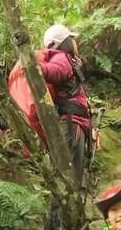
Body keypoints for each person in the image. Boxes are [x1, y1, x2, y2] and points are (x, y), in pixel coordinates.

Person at [39, 23, 92, 186]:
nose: (75, 43)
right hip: (71, 124)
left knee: (71, 176)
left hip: (75, 122)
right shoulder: (61, 57)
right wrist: (36, 67)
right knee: (69, 178)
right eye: (72, 39)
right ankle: (63, 212)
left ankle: (66, 210)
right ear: (65, 42)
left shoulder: (69, 60)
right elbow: (53, 72)